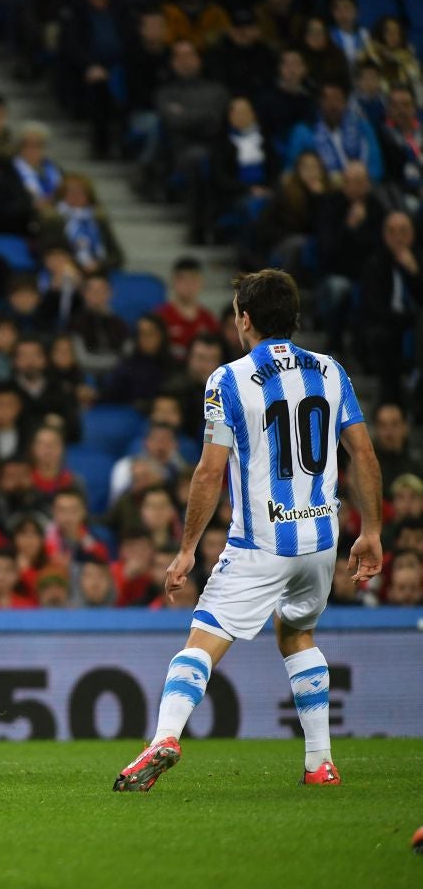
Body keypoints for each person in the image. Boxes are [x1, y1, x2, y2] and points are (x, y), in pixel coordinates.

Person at [114, 269, 382, 793]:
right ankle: (319, 763)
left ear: (244, 319)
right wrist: (371, 530)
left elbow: (209, 471)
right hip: (322, 542)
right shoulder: (330, 371)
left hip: (261, 542)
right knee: (297, 633)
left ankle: (165, 736)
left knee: (203, 639)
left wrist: (187, 548)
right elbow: (364, 455)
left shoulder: (228, 379)